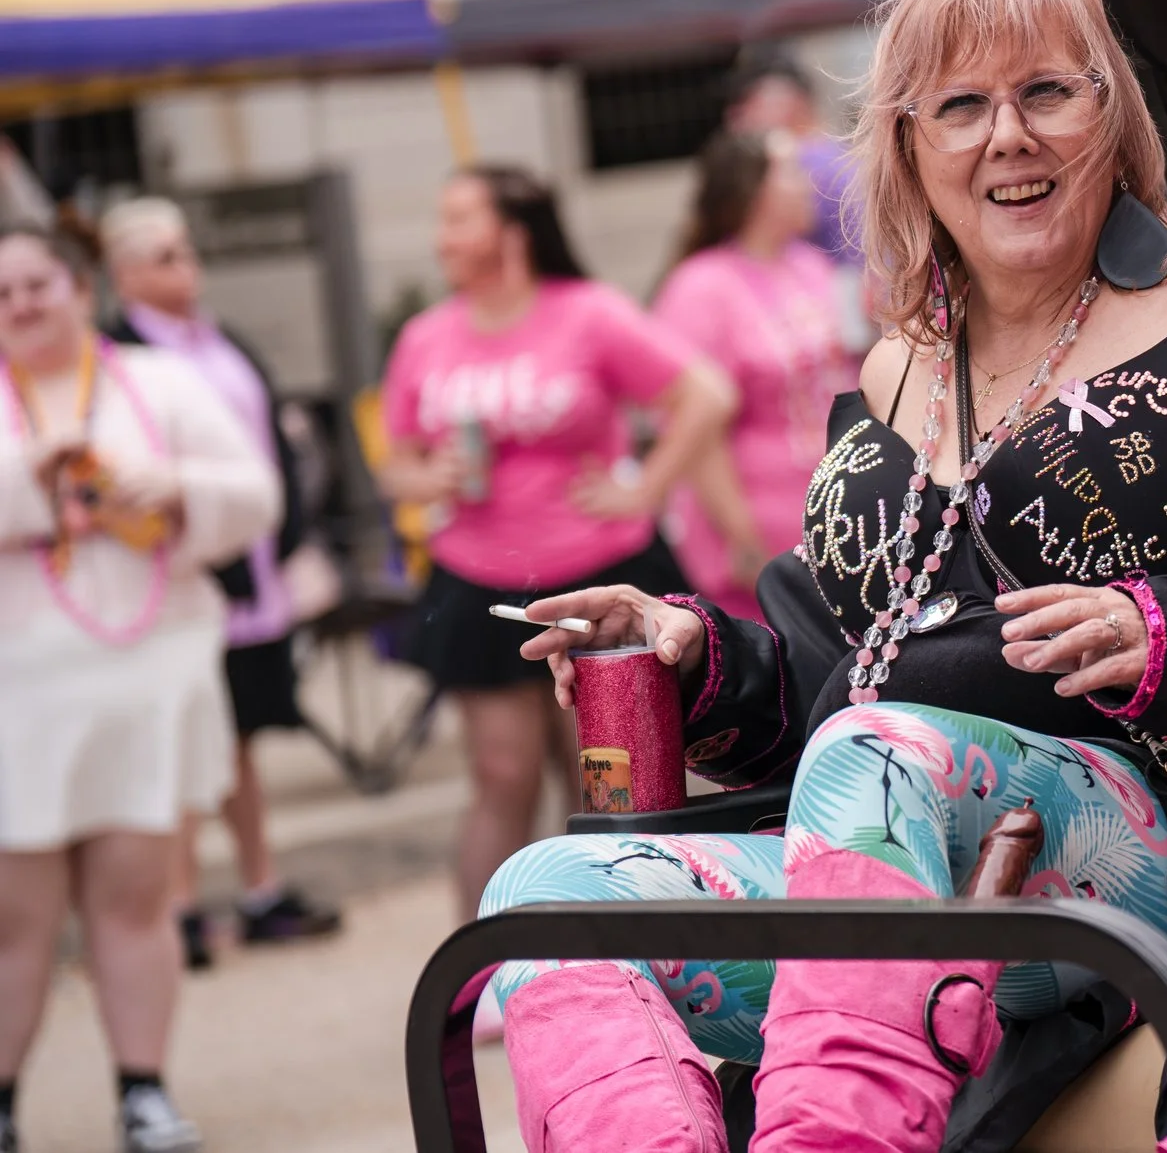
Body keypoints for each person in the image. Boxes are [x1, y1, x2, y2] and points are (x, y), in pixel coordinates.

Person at [475, 0, 1167, 1153]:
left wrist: (1159, 634)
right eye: (961, 106)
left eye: (1048, 90)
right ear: (908, 150)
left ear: (1112, 120)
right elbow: (837, 674)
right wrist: (693, 653)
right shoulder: (893, 372)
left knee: (882, 751)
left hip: (1134, 845)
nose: (1008, 135)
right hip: (890, 850)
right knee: (539, 896)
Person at [374, 167, 733, 919]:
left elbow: (703, 394)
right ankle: (486, 970)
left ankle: (629, 951)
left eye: (458, 219)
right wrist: (424, 475)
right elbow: (394, 465)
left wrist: (644, 487)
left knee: (605, 771)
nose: (441, 237)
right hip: (477, 578)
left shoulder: (588, 313)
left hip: (599, 572)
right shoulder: (426, 335)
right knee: (500, 774)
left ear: (513, 231)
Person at [0, 224, 280, 1153]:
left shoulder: (156, 383)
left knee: (135, 899)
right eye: (2, 293)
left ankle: (144, 1086)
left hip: (144, 680)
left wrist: (167, 487)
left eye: (36, 282)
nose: (22, 304)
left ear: (77, 286)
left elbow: (255, 493)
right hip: (17, 695)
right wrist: (29, 482)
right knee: (14, 916)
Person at [97, 199, 342, 967]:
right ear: (124, 273)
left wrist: (288, 532)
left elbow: (265, 447)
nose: (185, 264)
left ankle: (257, 888)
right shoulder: (120, 352)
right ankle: (179, 903)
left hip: (254, 571)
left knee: (239, 742)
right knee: (183, 744)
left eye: (185, 249)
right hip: (188, 577)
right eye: (165, 255)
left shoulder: (219, 339)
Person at [651, 132, 857, 620]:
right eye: (790, 170)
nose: (808, 183)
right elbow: (694, 430)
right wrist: (740, 534)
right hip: (754, 534)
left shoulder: (809, 265)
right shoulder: (700, 287)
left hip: (836, 522)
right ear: (753, 190)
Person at [725, 55, 877, 355]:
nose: (736, 120)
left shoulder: (801, 161)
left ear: (786, 104)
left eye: (746, 107)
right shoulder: (841, 153)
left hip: (845, 305)